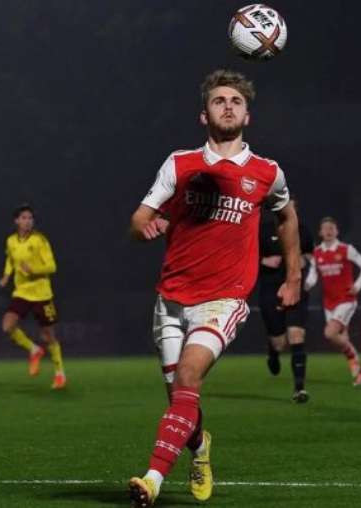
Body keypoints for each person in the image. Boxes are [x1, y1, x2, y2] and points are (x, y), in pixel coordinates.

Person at [128, 69, 301, 506]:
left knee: (188, 376)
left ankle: (152, 479)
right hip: (170, 299)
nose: (228, 106)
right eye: (219, 100)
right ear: (204, 115)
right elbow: (138, 219)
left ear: (248, 115)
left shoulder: (267, 172)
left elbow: (288, 218)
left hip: (224, 299)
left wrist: (294, 276)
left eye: (236, 101)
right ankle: (200, 448)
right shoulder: (180, 163)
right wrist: (147, 226)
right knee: (179, 400)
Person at [0, 204, 66, 389]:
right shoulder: (11, 241)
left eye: (30, 218)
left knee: (48, 335)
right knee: (7, 325)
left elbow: (52, 266)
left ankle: (60, 373)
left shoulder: (40, 240)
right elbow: (10, 260)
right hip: (22, 292)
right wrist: (6, 275)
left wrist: (34, 270)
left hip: (42, 294)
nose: (27, 221)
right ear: (16, 221)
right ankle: (34, 350)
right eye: (24, 218)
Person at [305, 216, 361, 386]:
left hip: (346, 299)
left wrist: (357, 285)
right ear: (320, 232)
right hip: (329, 303)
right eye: (325, 228)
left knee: (330, 333)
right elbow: (313, 277)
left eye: (331, 228)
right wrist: (304, 286)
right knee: (342, 339)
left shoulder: (346, 249)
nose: (328, 231)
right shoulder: (317, 253)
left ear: (337, 231)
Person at [258, 202, 314, 402]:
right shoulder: (262, 229)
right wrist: (263, 261)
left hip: (293, 286)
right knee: (280, 342)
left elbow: (310, 254)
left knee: (296, 335)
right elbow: (245, 255)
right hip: (270, 289)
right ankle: (273, 351)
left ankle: (299, 389)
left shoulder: (302, 230)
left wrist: (305, 261)